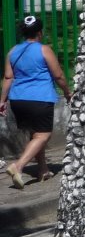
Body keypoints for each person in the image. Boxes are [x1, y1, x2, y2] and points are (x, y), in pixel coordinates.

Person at [2, 15, 73, 189]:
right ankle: (18, 166)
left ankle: (43, 170)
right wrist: (67, 92)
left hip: (18, 99)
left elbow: (8, 77)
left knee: (35, 134)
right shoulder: (44, 50)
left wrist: (2, 100)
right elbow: (58, 75)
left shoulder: (13, 51)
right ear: (40, 32)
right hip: (39, 99)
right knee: (43, 135)